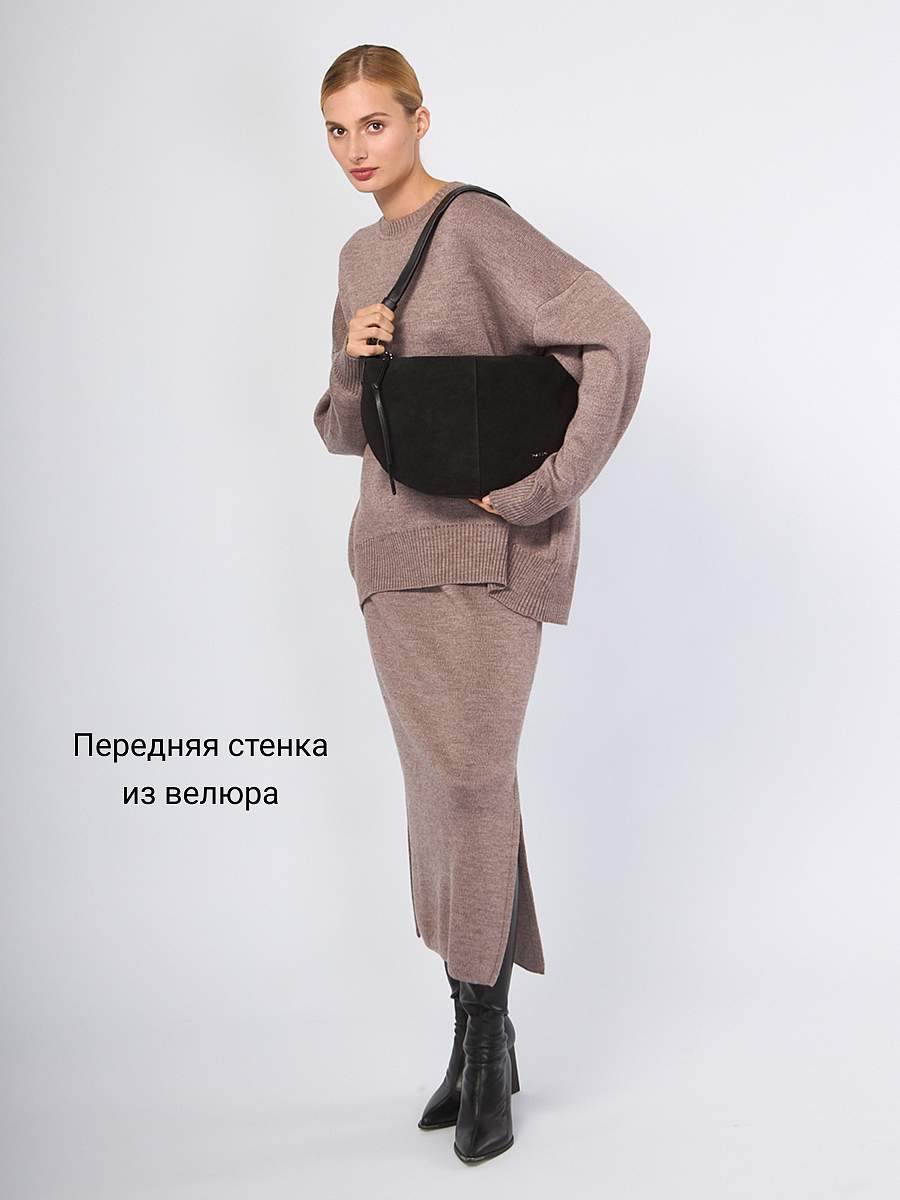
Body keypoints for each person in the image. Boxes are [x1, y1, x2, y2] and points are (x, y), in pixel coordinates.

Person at [314, 44, 651, 1164]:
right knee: (440, 796)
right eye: (336, 131)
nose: (355, 150)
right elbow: (344, 433)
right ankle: (474, 1036)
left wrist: (549, 489)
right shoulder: (358, 256)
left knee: (474, 782)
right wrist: (354, 357)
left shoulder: (477, 228)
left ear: (419, 120)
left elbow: (618, 334)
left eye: (374, 123)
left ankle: (490, 1038)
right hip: (392, 559)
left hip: (488, 559)